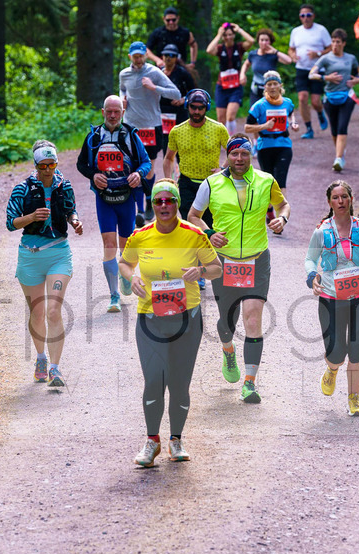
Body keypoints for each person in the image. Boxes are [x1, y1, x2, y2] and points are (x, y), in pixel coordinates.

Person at [119, 180, 222, 467]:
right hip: (150, 318)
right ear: (152, 205)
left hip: (186, 318)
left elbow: (217, 268)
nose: (164, 206)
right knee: (153, 381)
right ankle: (152, 441)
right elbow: (125, 263)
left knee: (179, 383)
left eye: (170, 201)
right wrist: (133, 277)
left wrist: (200, 270)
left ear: (178, 203)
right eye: (158, 201)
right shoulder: (140, 236)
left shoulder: (194, 235)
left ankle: (176, 440)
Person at [186, 135, 290, 404]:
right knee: (226, 323)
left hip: (257, 258)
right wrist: (208, 233)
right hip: (224, 262)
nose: (240, 159)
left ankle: (250, 383)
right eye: (234, 154)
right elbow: (193, 216)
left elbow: (283, 204)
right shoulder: (212, 183)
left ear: (251, 155)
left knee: (253, 320)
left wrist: (282, 218)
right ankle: (228, 349)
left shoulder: (267, 181)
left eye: (244, 154)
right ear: (228, 156)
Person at [6, 140, 84, 386]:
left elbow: (71, 209)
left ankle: (55, 368)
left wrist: (75, 221)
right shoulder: (22, 190)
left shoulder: (64, 185)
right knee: (37, 313)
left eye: (52, 164)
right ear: (35, 164)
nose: (48, 169)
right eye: (43, 165)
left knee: (53, 311)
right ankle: (40, 357)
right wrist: (31, 216)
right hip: (30, 255)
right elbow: (10, 222)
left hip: (59, 253)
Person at [304, 181, 359, 416]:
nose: (340, 202)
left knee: (358, 348)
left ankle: (354, 397)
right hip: (331, 296)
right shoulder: (321, 231)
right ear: (330, 202)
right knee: (337, 351)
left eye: (344, 197)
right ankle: (332, 368)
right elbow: (310, 259)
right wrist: (312, 276)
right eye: (336, 198)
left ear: (351, 200)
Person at [76, 96, 151, 313]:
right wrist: (94, 176)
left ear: (123, 111)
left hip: (126, 198)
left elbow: (145, 162)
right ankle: (113, 295)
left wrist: (138, 173)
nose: (112, 115)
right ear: (102, 112)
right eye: (108, 111)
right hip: (104, 199)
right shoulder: (94, 136)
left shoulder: (131, 135)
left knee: (126, 248)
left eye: (116, 112)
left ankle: (125, 272)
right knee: (109, 245)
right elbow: (82, 164)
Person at [163, 88, 228, 289]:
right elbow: (168, 159)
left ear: (206, 107)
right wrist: (170, 182)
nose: (197, 111)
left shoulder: (219, 129)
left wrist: (223, 168)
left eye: (201, 108)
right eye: (193, 107)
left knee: (208, 225)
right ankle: (197, 271)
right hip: (187, 183)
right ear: (187, 106)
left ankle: (209, 268)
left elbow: (236, 154)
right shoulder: (177, 131)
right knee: (193, 228)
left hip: (212, 184)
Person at [120, 41, 182, 222]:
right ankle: (140, 209)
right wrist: (122, 99)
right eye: (135, 56)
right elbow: (122, 89)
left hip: (151, 125)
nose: (139, 59)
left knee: (148, 168)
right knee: (132, 167)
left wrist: (155, 88)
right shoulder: (124, 74)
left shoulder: (154, 73)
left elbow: (176, 94)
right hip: (131, 125)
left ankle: (148, 204)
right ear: (130, 56)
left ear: (146, 56)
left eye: (141, 56)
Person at [309, 29, 359, 172]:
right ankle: (340, 153)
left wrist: (357, 80)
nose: (335, 44)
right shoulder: (325, 58)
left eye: (338, 42)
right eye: (333, 41)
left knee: (342, 127)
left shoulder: (350, 58)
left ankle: (338, 159)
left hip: (347, 96)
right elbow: (311, 74)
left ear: (344, 43)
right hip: (330, 97)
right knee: (334, 129)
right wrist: (326, 78)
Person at [244, 71, 299, 191]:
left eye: (275, 84)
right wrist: (264, 126)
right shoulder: (259, 105)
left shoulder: (287, 102)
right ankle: (269, 210)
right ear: (265, 87)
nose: (272, 87)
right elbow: (247, 127)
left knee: (280, 182)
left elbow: (291, 112)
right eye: (269, 84)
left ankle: (282, 210)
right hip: (265, 147)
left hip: (284, 145)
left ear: (280, 86)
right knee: (269, 182)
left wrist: (293, 123)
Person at [289, 4, 332, 139]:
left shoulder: (321, 30)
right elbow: (291, 49)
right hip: (301, 68)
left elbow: (330, 48)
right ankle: (309, 128)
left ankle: (320, 113)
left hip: (317, 69)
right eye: (303, 15)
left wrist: (318, 53)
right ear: (300, 17)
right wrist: (293, 56)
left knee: (315, 101)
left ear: (313, 16)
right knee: (302, 98)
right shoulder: (296, 31)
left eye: (308, 15)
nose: (305, 18)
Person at [205, 22, 254, 135]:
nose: (228, 37)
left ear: (234, 35)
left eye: (230, 34)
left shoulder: (239, 47)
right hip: (222, 86)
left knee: (230, 116)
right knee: (221, 119)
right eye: (226, 35)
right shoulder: (220, 48)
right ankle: (225, 140)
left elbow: (251, 41)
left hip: (236, 86)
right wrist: (219, 35)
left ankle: (232, 140)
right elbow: (209, 50)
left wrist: (239, 29)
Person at [241, 29, 293, 109]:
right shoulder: (253, 54)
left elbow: (289, 61)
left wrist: (275, 51)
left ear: (270, 42)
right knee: (254, 113)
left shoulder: (273, 55)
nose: (264, 43)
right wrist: (242, 74)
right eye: (262, 40)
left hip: (271, 90)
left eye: (266, 40)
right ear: (258, 41)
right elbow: (246, 64)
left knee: (270, 113)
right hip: (256, 89)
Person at [158, 44, 196, 153]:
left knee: (180, 142)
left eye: (172, 55)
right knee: (166, 142)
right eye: (166, 55)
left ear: (176, 58)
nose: (168, 58)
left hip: (179, 112)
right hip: (163, 112)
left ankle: (182, 169)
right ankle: (169, 170)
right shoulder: (157, 72)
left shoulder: (183, 73)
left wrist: (183, 100)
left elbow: (193, 91)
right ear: (162, 57)